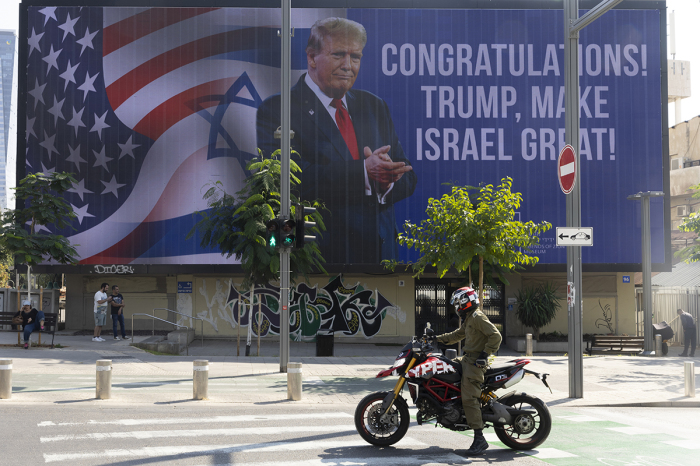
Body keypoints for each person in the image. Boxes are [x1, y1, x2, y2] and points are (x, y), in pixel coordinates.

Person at [256, 16, 417, 264]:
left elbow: (407, 174)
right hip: (322, 261)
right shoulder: (279, 109)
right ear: (311, 57)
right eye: (339, 54)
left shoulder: (374, 106)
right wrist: (364, 172)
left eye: (355, 57)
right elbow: (289, 182)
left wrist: (387, 182)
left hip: (381, 259)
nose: (348, 65)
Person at [435, 287, 502, 456]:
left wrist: (484, 354)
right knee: (442, 367)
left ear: (465, 302)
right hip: (467, 359)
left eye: (457, 303)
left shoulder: (478, 317)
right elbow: (458, 335)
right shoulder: (470, 318)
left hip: (475, 363)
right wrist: (435, 339)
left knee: (469, 397)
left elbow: (496, 336)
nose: (456, 307)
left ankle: (479, 439)